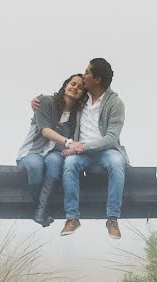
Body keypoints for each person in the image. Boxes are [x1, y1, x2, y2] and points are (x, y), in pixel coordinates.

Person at [55, 58, 127, 238]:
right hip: (80, 154)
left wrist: (82, 147)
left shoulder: (115, 103)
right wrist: (37, 101)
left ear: (97, 79)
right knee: (70, 163)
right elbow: (61, 97)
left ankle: (112, 219)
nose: (83, 75)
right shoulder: (81, 98)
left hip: (105, 151)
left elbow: (111, 138)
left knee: (118, 163)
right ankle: (72, 218)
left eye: (87, 73)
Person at [16, 74, 86, 226]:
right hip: (33, 150)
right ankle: (41, 210)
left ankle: (40, 212)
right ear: (66, 84)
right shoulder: (46, 102)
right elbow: (45, 131)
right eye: (72, 83)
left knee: (55, 161)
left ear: (83, 94)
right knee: (36, 165)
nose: (75, 88)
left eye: (80, 87)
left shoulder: (78, 115)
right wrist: (68, 142)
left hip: (55, 152)